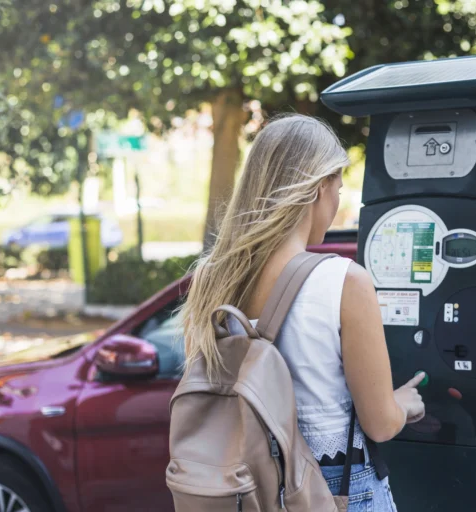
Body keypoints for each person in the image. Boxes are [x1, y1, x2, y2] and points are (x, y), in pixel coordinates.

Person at [180, 114, 426, 511]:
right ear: (318, 188)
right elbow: (380, 423)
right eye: (338, 189)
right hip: (336, 490)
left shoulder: (214, 277)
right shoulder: (345, 281)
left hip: (247, 488)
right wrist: (404, 402)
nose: (337, 203)